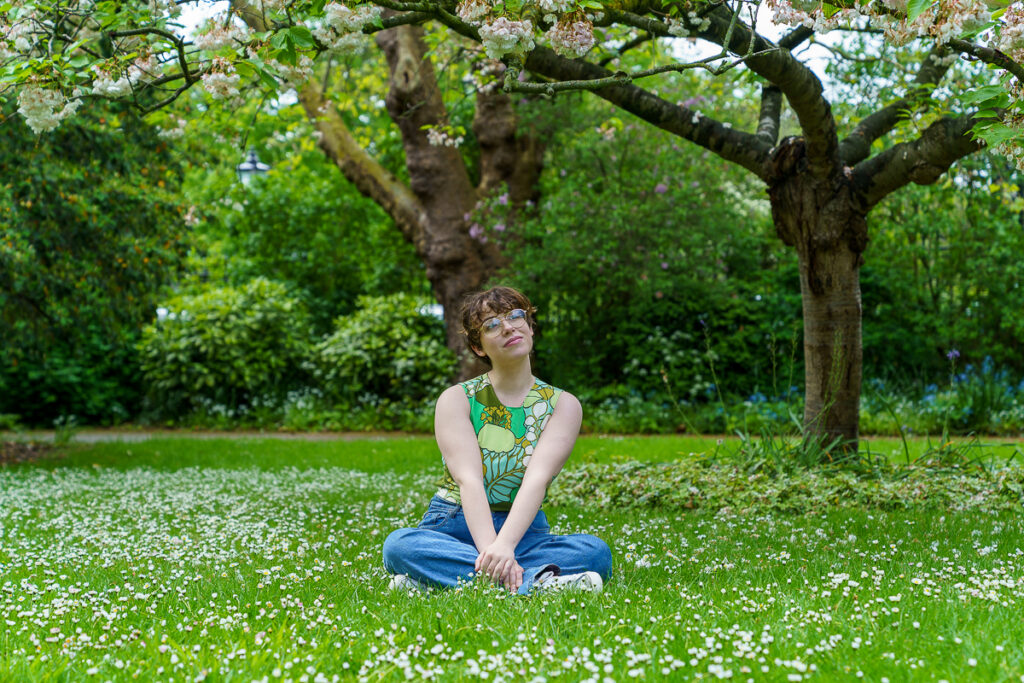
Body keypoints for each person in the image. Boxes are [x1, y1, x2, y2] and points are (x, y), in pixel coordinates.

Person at [382, 286, 612, 595]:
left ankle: (436, 580)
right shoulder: (458, 399)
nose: (508, 327)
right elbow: (469, 482)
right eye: (491, 324)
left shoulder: (563, 405)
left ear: (530, 326)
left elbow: (537, 479)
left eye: (516, 316)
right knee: (398, 546)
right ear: (479, 348)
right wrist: (495, 550)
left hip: (524, 531)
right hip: (453, 525)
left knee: (595, 553)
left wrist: (505, 545)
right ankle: (535, 583)